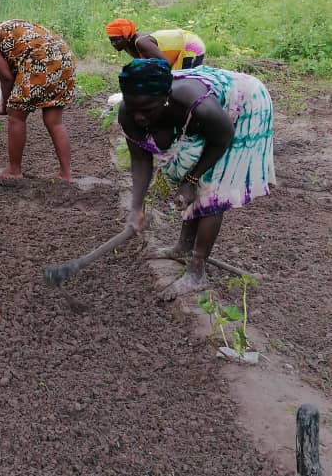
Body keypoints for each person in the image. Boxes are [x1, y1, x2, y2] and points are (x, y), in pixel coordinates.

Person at [117, 57, 275, 299]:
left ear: (166, 96)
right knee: (196, 181)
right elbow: (140, 159)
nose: (139, 117)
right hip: (210, 114)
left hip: (245, 105)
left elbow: (222, 137)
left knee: (211, 191)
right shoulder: (130, 112)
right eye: (133, 107)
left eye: (147, 109)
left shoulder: (199, 107)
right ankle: (182, 248)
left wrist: (191, 181)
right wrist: (136, 207)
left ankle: (197, 271)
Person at [0, 17, 76, 181]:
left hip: (40, 61)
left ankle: (14, 170)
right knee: (54, 120)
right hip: (64, 57)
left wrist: (6, 104)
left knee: (16, 116)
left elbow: (6, 78)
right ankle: (66, 174)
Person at [106, 19, 206, 70]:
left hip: (190, 45)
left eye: (117, 40)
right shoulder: (127, 46)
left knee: (184, 82)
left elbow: (164, 64)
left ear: (127, 36)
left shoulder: (141, 42)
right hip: (179, 50)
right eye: (111, 40)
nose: (113, 44)